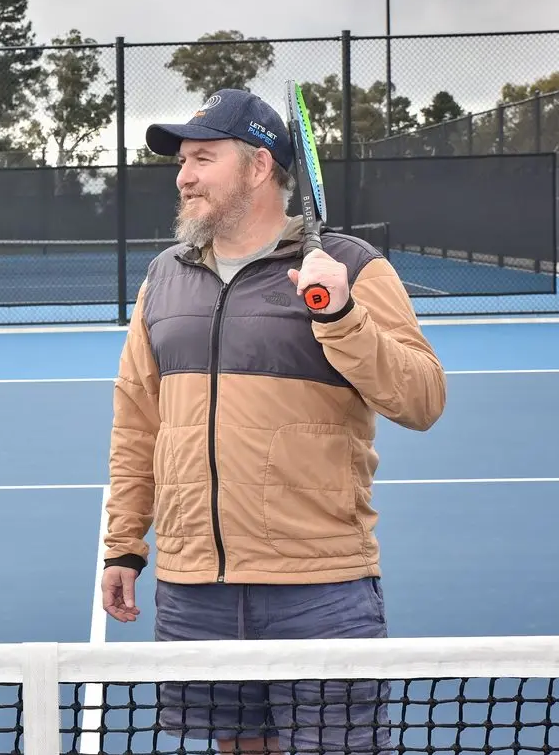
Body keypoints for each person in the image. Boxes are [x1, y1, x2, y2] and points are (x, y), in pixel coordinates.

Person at [100, 88, 446, 753]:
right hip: (195, 581)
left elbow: (422, 397)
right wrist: (124, 542)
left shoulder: (351, 269)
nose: (184, 175)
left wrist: (342, 317)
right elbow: (137, 421)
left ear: (259, 167)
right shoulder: (163, 278)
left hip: (318, 584)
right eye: (181, 161)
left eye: (203, 157)